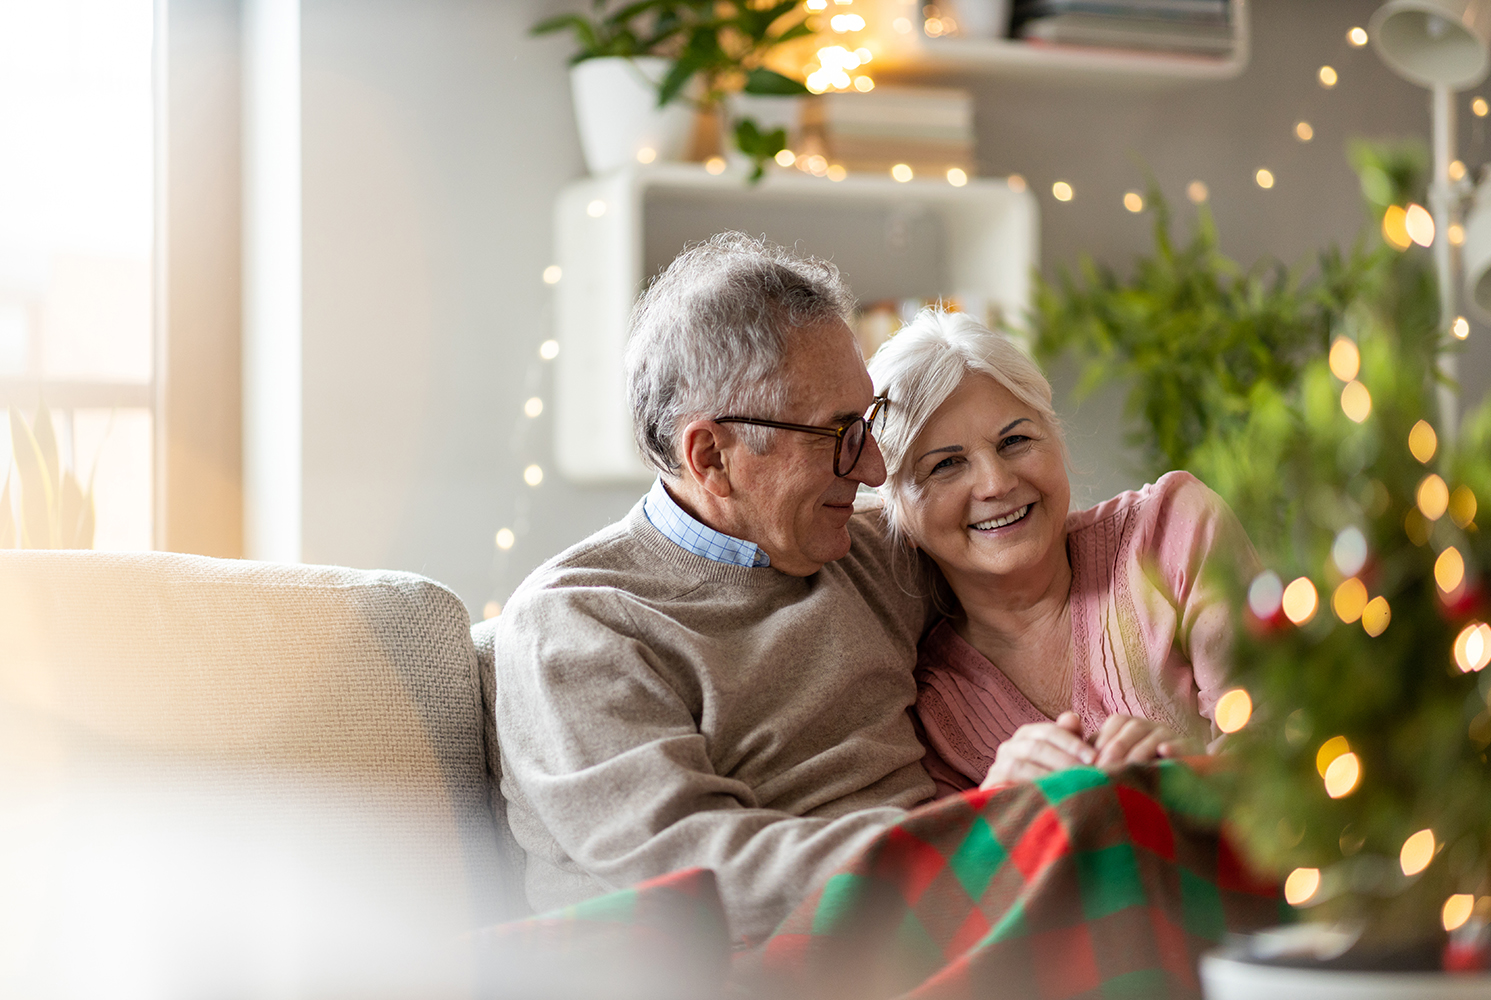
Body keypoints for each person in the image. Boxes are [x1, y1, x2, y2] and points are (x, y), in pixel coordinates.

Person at [493, 232, 938, 946]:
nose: (876, 470)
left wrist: (1175, 520)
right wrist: (961, 849)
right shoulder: (580, 624)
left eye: (869, 422)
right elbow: (697, 874)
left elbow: (1058, 548)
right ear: (712, 457)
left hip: (933, 924)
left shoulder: (870, 553)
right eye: (839, 433)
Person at [866, 308, 1256, 799]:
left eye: (1015, 440)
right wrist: (998, 805)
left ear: (1055, 437)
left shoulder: (1171, 530)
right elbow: (959, 869)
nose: (996, 482)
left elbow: (1295, 742)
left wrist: (1187, 777)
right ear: (895, 506)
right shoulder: (925, 706)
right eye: (946, 465)